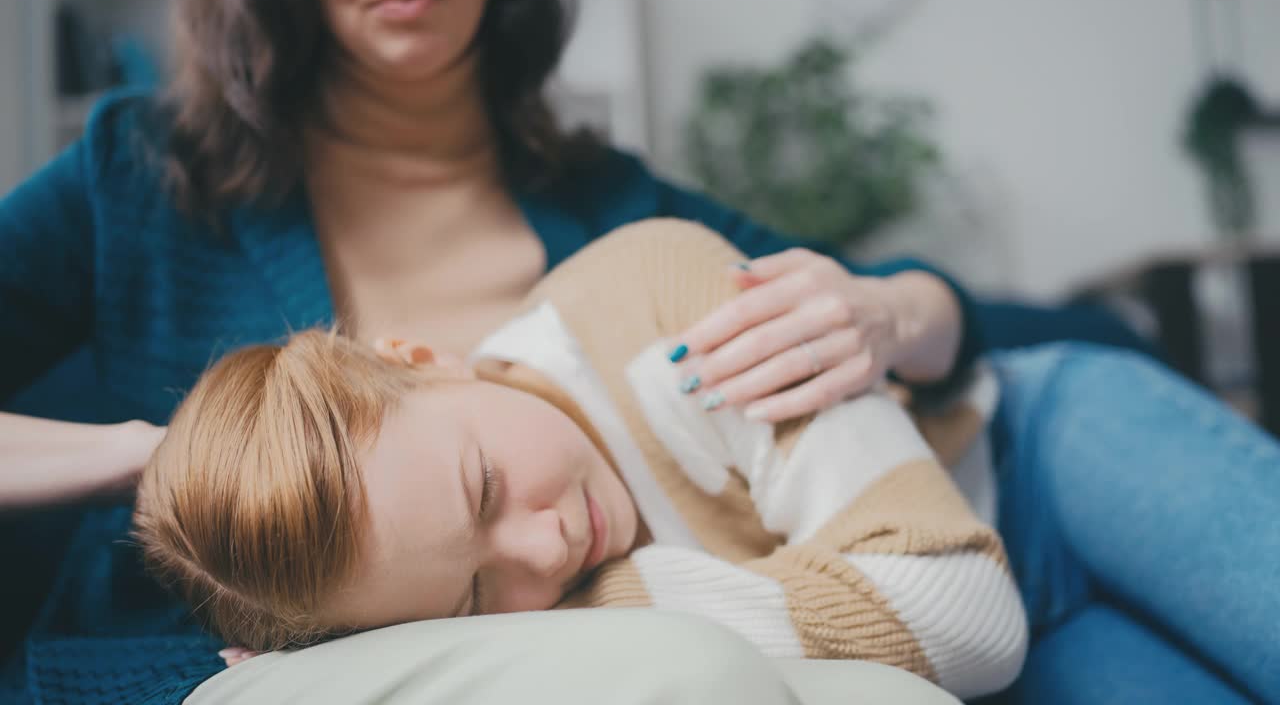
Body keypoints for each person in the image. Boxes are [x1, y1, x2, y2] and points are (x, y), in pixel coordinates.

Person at [0, 0, 1274, 703]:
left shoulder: (616, 216)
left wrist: (894, 310)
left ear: (412, 358)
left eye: (488, 490)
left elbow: (895, 309)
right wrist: (133, 456)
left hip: (1015, 460)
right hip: (870, 588)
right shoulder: (138, 175)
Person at [134, 219, 1030, 699]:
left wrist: (608, 608)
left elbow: (968, 616)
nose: (549, 546)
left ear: (421, 360)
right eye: (475, 600)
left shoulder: (657, 309)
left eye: (483, 490)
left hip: (1033, 456)